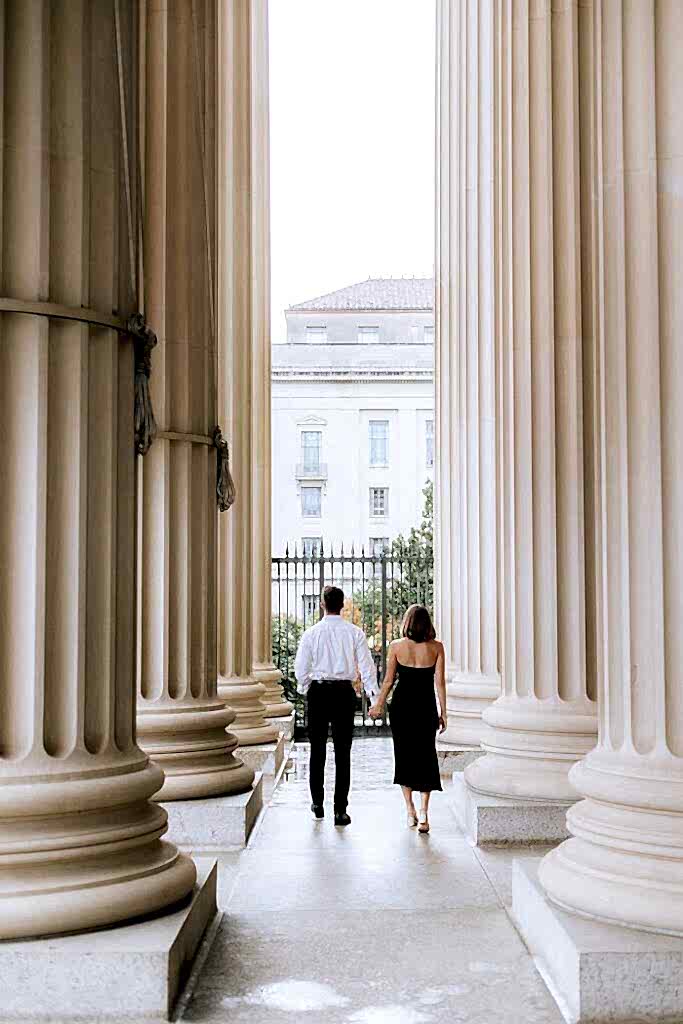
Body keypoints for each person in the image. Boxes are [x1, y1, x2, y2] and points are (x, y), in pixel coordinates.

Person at [294, 585, 378, 826]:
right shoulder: (355, 633)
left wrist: (304, 688)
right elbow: (367, 668)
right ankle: (340, 810)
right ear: (342, 605)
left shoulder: (311, 634)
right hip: (343, 693)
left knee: (317, 750)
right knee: (343, 753)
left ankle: (317, 804)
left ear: (322, 604)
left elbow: (301, 668)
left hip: (319, 692)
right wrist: (374, 699)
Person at [369, 605, 446, 833]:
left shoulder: (396, 646)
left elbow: (388, 681)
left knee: (404, 755)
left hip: (402, 707)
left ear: (407, 623)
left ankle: (409, 809)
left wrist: (379, 704)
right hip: (425, 707)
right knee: (426, 755)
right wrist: (445, 712)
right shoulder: (437, 647)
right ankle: (424, 812)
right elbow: (439, 683)